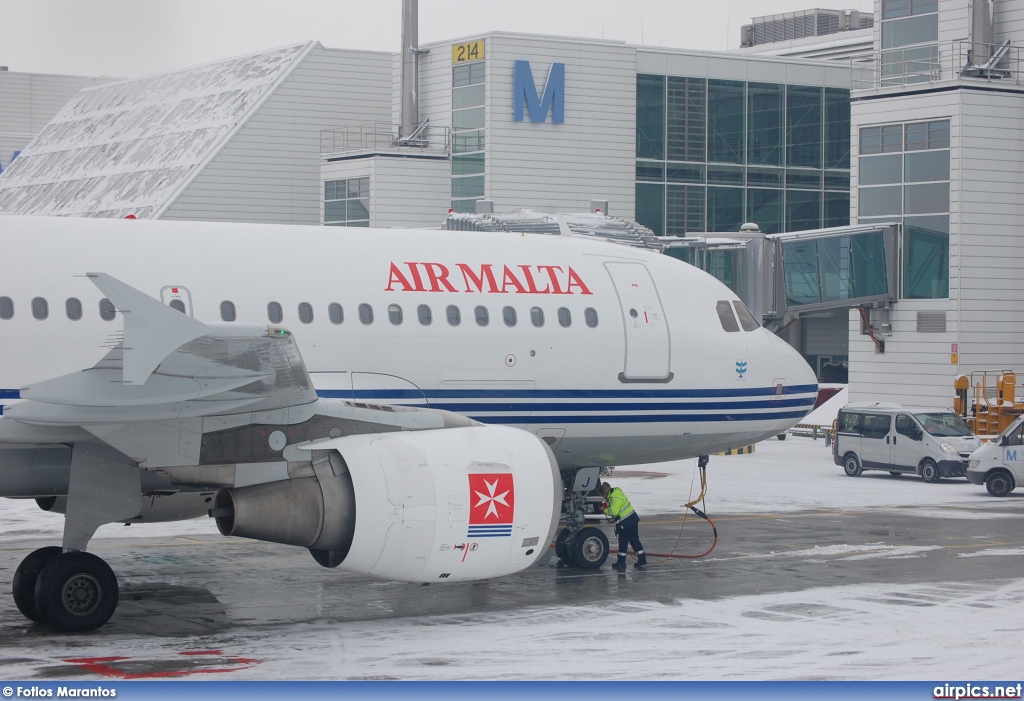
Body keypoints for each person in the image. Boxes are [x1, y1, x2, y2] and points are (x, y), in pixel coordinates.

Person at [599, 481, 647, 571]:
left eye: (603, 496)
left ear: (605, 493)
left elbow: (614, 511)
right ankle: (642, 559)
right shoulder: (616, 492)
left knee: (623, 541)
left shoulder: (614, 497)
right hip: (632, 519)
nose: (603, 498)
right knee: (634, 540)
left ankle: (621, 562)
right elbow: (615, 504)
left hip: (626, 521)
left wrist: (604, 510)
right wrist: (607, 504)